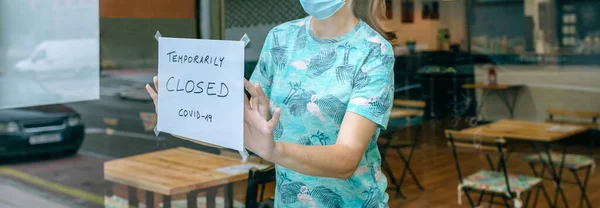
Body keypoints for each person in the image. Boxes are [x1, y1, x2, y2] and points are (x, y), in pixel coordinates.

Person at [146, 0, 397, 207]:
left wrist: (272, 150)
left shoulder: (374, 52)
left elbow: (345, 161)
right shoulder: (280, 39)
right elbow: (242, 129)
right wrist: (180, 120)